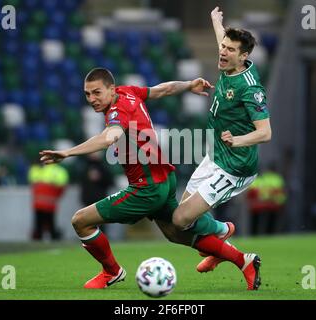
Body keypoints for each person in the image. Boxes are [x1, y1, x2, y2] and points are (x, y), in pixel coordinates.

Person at [40, 67, 257, 290]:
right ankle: (244, 261)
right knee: (177, 234)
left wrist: (67, 153)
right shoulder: (128, 92)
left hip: (146, 189)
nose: (92, 99)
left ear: (111, 89)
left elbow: (109, 137)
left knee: (80, 220)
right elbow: (162, 90)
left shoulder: (117, 110)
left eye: (97, 93)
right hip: (164, 179)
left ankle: (111, 272)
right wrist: (188, 85)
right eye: (87, 94)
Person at [171, 7, 271, 290]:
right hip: (215, 157)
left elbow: (265, 133)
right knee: (190, 225)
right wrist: (217, 22)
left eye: (229, 49)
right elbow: (223, 43)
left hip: (235, 166)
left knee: (180, 220)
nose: (223, 52)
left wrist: (237, 140)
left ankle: (229, 241)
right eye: (222, 47)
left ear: (244, 57)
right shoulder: (229, 61)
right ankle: (221, 242)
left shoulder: (251, 90)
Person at [28, 162, 69, 240]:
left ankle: (41, 239)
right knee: (48, 225)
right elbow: (61, 188)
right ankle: (52, 238)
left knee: (40, 225)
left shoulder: (36, 169)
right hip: (48, 203)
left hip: (42, 203)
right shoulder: (58, 171)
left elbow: (33, 184)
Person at [247, 165, 286, 235]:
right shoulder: (276, 178)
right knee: (270, 221)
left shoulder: (261, 178)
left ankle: (256, 234)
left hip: (261, 204)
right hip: (270, 204)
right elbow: (279, 192)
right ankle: (268, 234)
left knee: (257, 221)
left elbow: (253, 192)